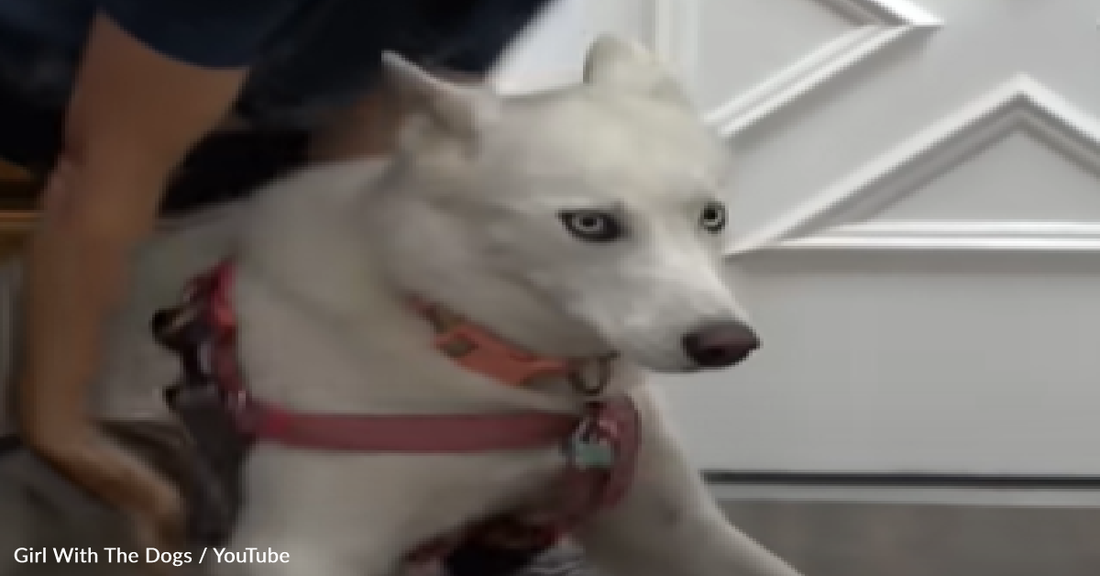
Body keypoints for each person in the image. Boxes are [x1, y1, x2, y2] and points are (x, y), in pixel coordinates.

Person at [0, 0, 556, 552]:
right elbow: (105, 175)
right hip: (52, 95)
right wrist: (62, 429)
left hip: (218, 129)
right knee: (61, 438)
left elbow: (352, 170)